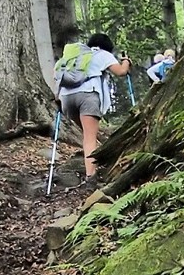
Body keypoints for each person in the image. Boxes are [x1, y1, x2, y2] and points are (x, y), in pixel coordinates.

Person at [56, 32, 132, 180]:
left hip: (66, 98)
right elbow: (121, 72)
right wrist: (126, 61)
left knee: (87, 135)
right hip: (88, 95)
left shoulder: (76, 56)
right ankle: (91, 176)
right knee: (89, 138)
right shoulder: (103, 54)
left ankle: (94, 160)